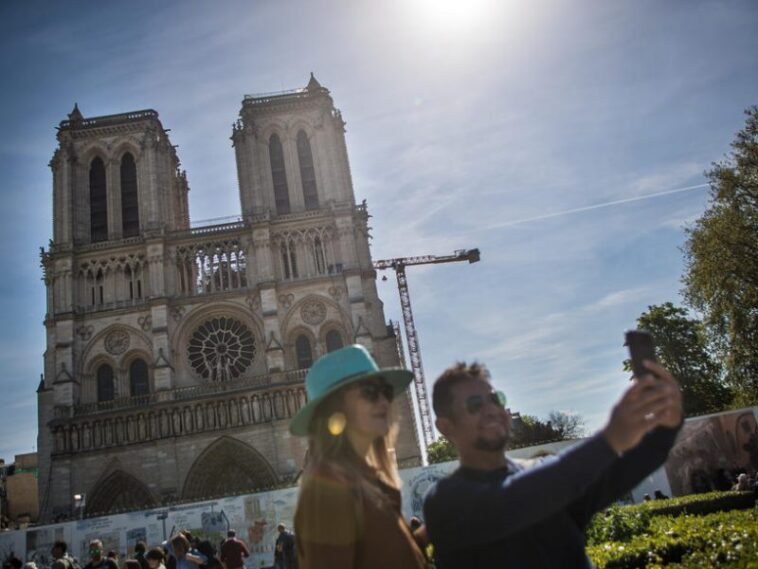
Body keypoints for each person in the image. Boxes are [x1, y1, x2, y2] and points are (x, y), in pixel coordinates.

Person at [423, 359, 683, 568]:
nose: (491, 409)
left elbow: (617, 474)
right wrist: (609, 440)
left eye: (495, 398)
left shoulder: (541, 474)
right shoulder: (445, 502)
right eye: (475, 404)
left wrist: (667, 425)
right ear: (446, 427)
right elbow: (518, 500)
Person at [290, 344, 427, 568]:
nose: (384, 401)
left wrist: (427, 535)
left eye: (386, 391)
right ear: (336, 409)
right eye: (369, 392)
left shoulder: (369, 479)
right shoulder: (327, 488)